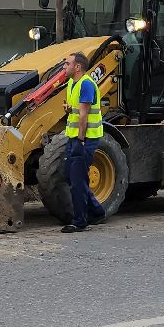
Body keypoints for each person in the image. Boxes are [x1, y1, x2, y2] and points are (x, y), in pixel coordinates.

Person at [58, 51, 105, 233]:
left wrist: (81, 139)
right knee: (70, 175)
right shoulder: (72, 83)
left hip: (85, 138)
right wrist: (69, 109)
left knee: (77, 180)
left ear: (77, 67)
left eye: (67, 64)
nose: (64, 67)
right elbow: (78, 111)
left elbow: (84, 115)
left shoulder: (86, 84)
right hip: (74, 137)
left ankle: (79, 221)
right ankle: (97, 211)